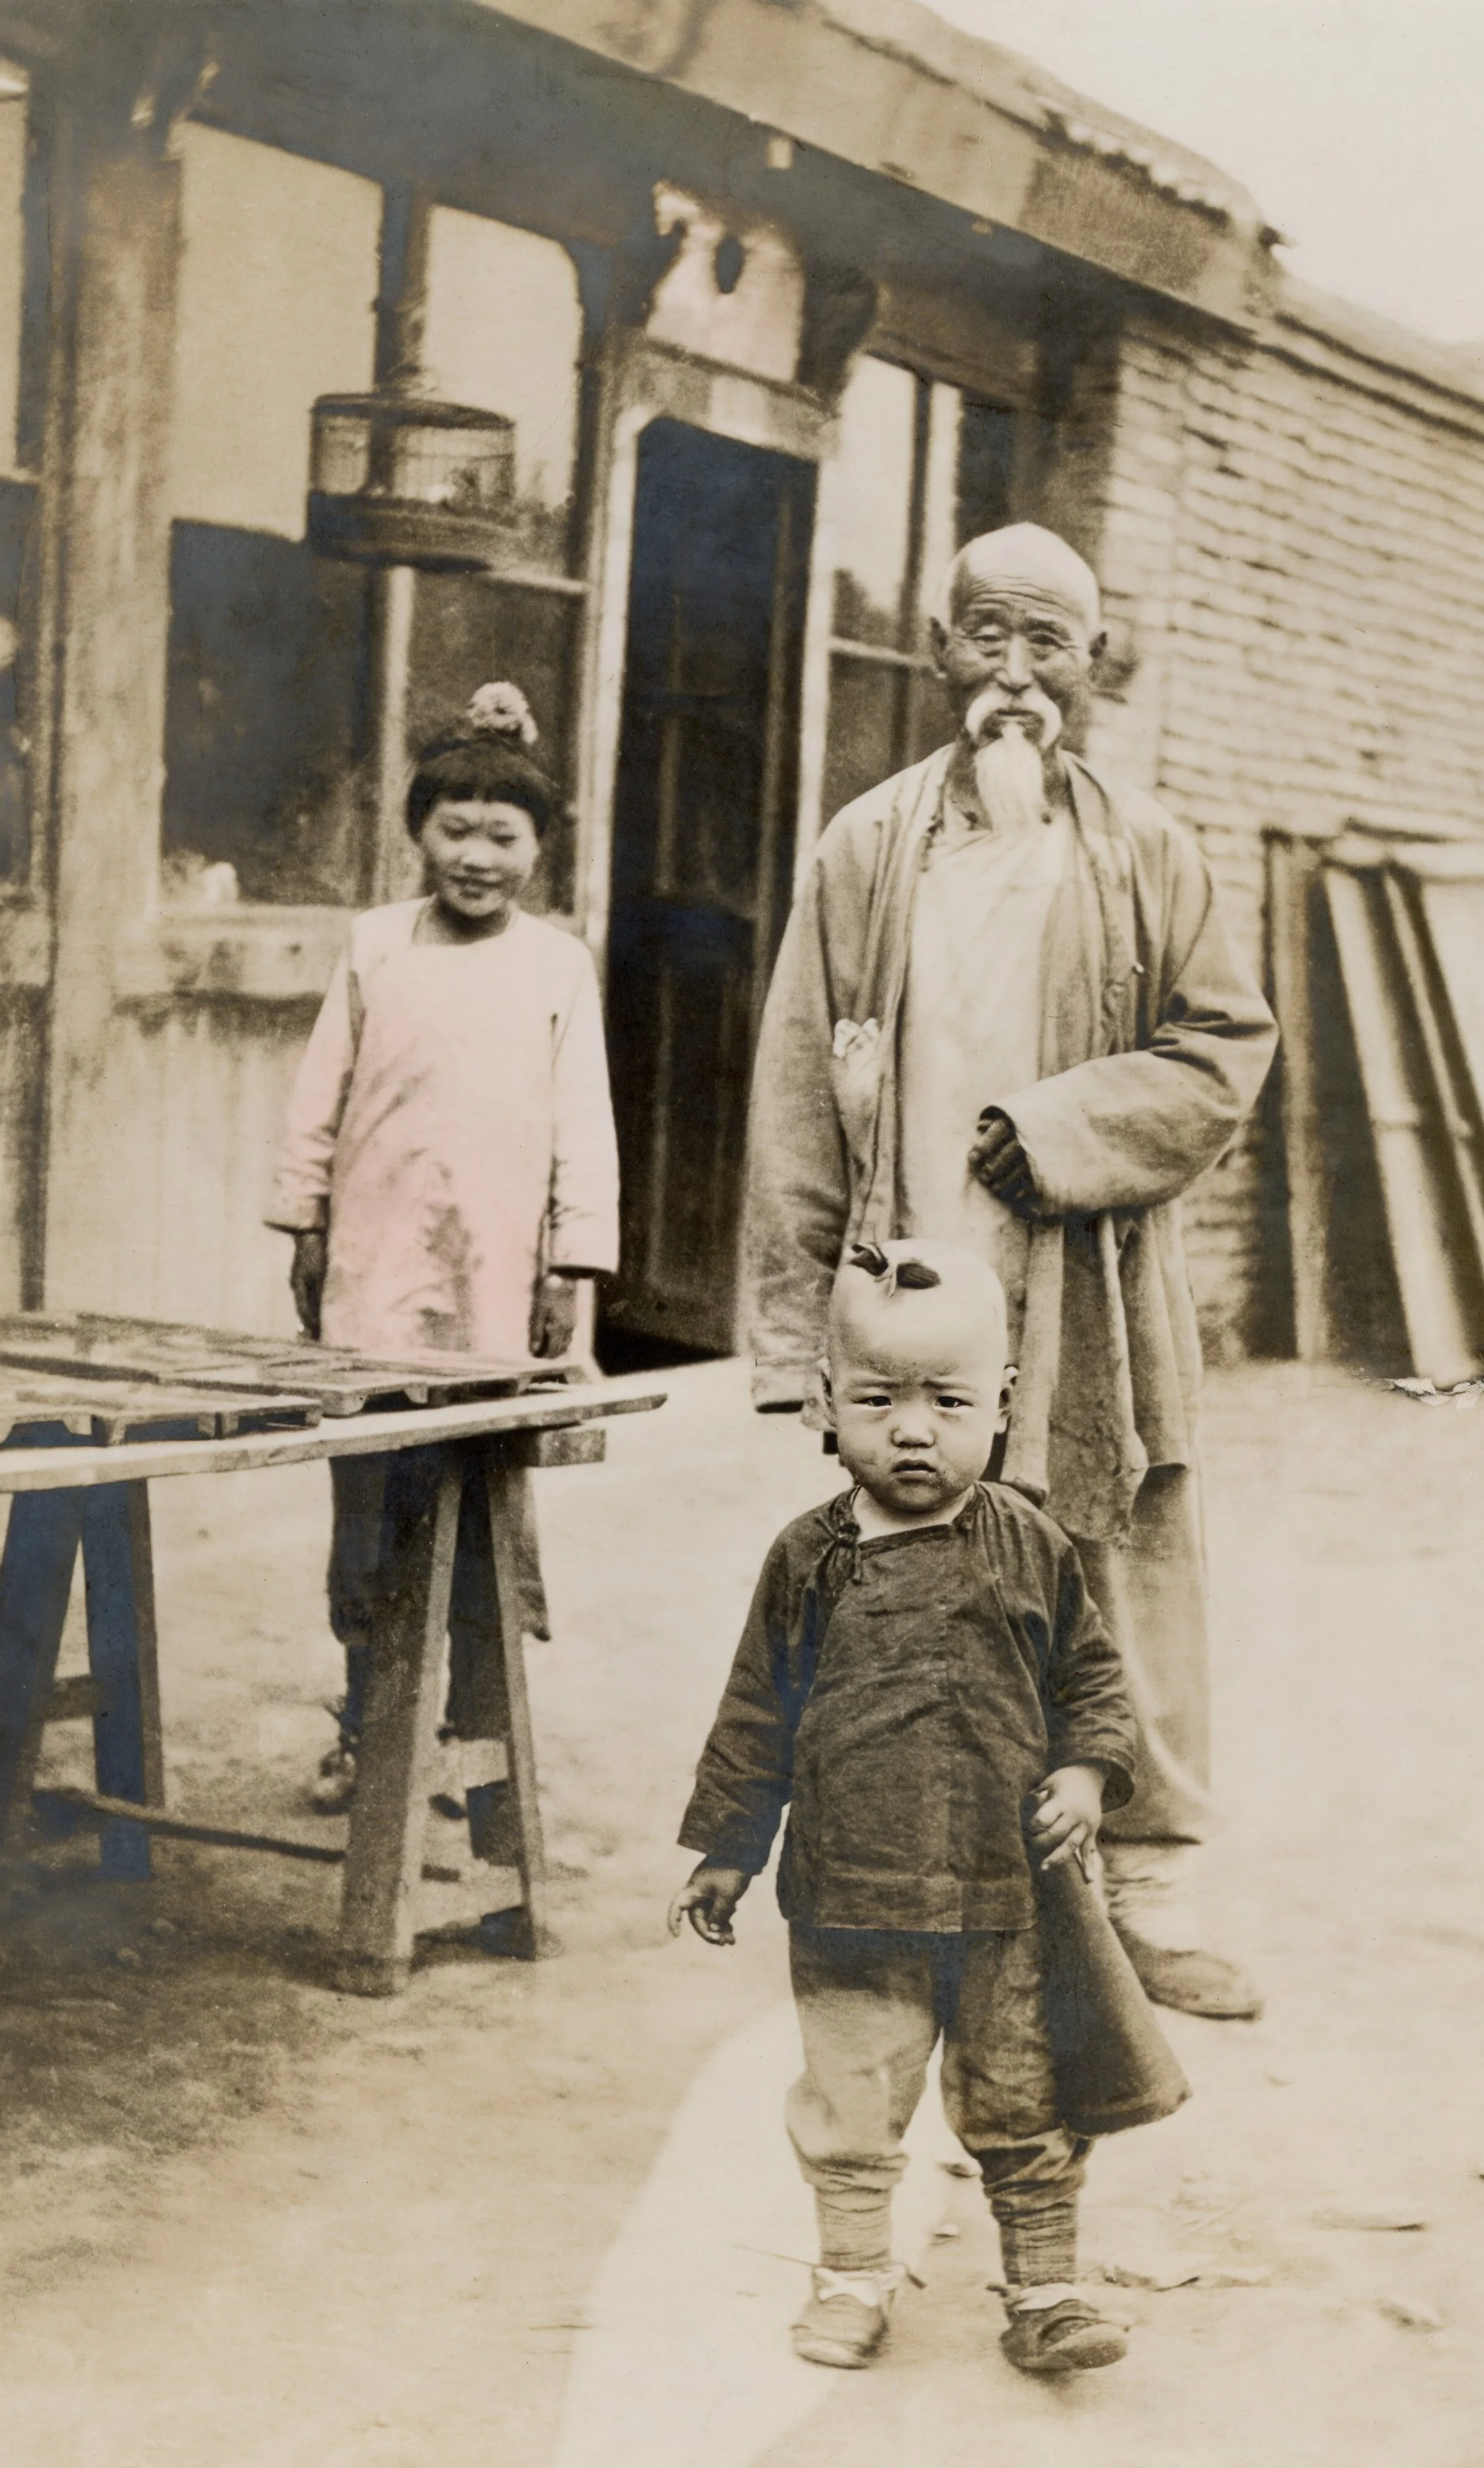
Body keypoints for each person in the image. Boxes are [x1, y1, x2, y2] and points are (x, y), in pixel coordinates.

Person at [743, 523, 1279, 2019]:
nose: (1015, 676)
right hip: (910, 1276)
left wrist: (1051, 1129)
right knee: (909, 1577)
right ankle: (929, 1897)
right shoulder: (865, 846)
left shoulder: (1144, 849)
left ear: (1092, 666)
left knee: (1115, 1566)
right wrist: (801, 1337)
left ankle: (1146, 1893)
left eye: (1049, 645)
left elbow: (1222, 1048)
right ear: (937, 650)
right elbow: (798, 1079)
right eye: (988, 636)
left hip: (1084, 1278)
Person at [671, 1239, 1141, 2378]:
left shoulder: (1031, 1543)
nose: (914, 1430)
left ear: (1004, 1408)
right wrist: (728, 1850)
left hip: (1007, 1894)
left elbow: (1094, 1679)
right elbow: (755, 1714)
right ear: (828, 1407)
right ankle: (850, 2277)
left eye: (949, 1402)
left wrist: (1085, 1773)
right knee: (852, 2101)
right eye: (879, 1402)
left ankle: (1044, 2290)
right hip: (852, 1897)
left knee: (1020, 2098)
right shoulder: (808, 1561)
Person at [267, 681, 619, 1816]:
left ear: (538, 848)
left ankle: (476, 1740)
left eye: (502, 836)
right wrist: (307, 1222)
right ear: (417, 832)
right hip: (372, 1271)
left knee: (479, 1503)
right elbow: (318, 1098)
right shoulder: (374, 948)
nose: (476, 857)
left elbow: (583, 1126)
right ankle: (369, 1727)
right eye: (453, 830)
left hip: (495, 1283)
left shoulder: (557, 966)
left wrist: (573, 1268)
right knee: (368, 1500)